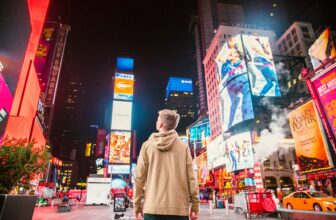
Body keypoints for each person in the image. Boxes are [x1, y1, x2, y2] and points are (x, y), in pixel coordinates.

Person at [134, 109, 200, 220]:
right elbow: (192, 179)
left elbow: (139, 178)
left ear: (160, 123)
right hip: (179, 210)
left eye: (157, 120)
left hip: (153, 209)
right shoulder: (183, 147)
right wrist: (195, 205)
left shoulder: (147, 146)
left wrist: (137, 206)